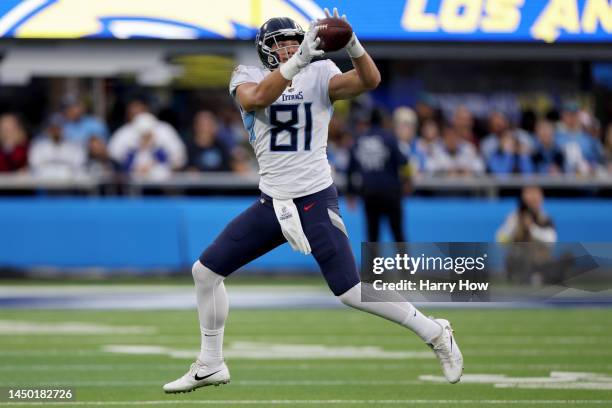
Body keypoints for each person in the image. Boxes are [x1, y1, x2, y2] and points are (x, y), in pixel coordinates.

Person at [163, 8, 463, 394]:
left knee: (350, 290)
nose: (289, 49)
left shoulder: (320, 73)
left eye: (294, 42)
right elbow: (257, 98)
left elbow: (370, 80)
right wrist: (296, 63)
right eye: (280, 44)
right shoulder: (247, 75)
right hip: (274, 201)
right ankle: (210, 363)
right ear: (264, 50)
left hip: (314, 197)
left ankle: (436, 331)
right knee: (205, 272)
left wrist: (352, 44)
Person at [346, 108, 410, 243]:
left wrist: (350, 192)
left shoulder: (359, 140)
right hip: (391, 192)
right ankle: (404, 264)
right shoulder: (390, 138)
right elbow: (404, 162)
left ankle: (372, 264)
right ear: (383, 121)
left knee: (372, 235)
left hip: (369, 193)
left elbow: (350, 169)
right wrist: (407, 181)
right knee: (397, 233)